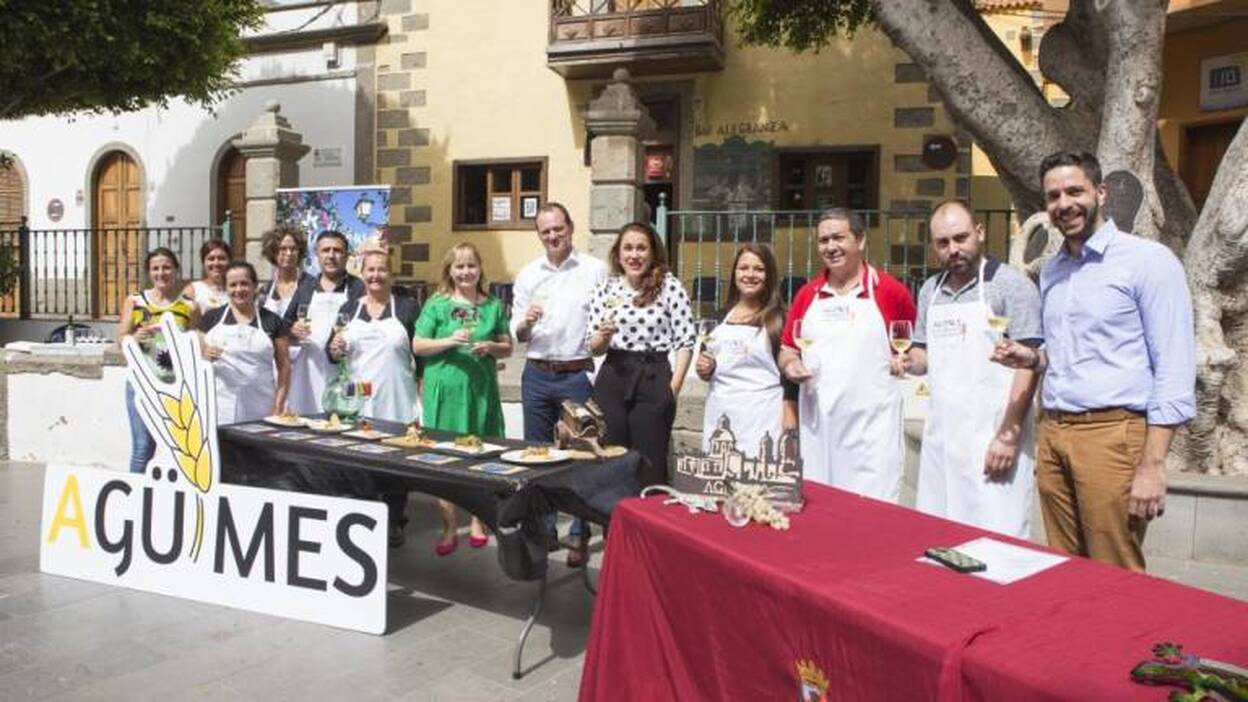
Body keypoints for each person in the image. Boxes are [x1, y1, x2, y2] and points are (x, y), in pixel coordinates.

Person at [992, 151, 1196, 571]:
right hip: (1055, 432)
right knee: (1066, 569)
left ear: (1100, 193)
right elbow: (1069, 353)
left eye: (1074, 191)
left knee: (1114, 568)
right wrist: (1030, 356)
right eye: (1053, 196)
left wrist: (1153, 466)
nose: (1063, 203)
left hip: (1112, 435)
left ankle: (1132, 640)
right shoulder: (1052, 270)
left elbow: (1174, 369)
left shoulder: (1149, 262)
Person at [896, 200, 1042, 537]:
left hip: (992, 438)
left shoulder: (1011, 285)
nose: (953, 249)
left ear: (979, 232)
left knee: (997, 540)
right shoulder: (931, 291)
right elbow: (924, 354)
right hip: (942, 441)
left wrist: (1009, 434)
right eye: (943, 243)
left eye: (961, 238)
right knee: (940, 537)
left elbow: (1029, 364)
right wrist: (908, 361)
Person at [777, 208, 917, 501]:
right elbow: (788, 348)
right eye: (823, 240)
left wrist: (906, 359)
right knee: (822, 513)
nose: (830, 247)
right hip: (819, 431)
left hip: (872, 436)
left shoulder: (890, 292)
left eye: (838, 238)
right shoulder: (808, 294)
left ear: (861, 240)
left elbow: (916, 346)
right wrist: (790, 364)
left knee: (872, 518)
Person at [511, 202, 608, 567]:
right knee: (537, 456)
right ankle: (543, 530)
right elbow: (517, 332)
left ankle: (580, 535)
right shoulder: (528, 274)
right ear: (539, 234)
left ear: (570, 227)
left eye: (558, 229)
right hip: (536, 373)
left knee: (581, 456)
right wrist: (526, 322)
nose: (553, 236)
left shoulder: (594, 270)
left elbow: (604, 320)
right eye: (546, 231)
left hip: (576, 373)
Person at [412, 243, 512, 555]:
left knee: (482, 456)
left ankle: (479, 522)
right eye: (459, 266)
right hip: (444, 392)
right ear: (450, 271)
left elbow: (507, 346)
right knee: (445, 459)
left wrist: (490, 347)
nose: (466, 272)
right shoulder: (437, 304)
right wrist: (447, 341)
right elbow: (417, 345)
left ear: (480, 268)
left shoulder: (493, 305)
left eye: (471, 265)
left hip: (480, 391)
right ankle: (449, 527)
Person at [587, 222, 695, 487]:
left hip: (653, 376)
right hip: (614, 374)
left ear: (653, 252)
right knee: (611, 458)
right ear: (618, 254)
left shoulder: (669, 287)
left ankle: (648, 524)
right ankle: (614, 524)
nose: (634, 255)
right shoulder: (606, 288)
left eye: (641, 248)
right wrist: (603, 336)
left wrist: (674, 387)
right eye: (628, 248)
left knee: (650, 461)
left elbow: (686, 340)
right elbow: (593, 346)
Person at [328, 247, 422, 548]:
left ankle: (395, 520)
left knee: (396, 465)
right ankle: (364, 519)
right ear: (362, 273)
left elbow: (421, 358)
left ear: (391, 274)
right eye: (370, 270)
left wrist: (423, 397)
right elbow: (332, 352)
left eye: (382, 270)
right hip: (359, 400)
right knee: (360, 464)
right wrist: (334, 349)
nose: (376, 275)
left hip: (397, 397)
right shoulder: (348, 308)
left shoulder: (406, 308)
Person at [695, 243, 798, 456]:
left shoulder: (779, 319)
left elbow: (790, 374)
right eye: (743, 268)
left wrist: (790, 413)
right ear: (734, 273)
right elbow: (705, 366)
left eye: (759, 269)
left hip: (763, 416)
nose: (750, 275)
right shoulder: (718, 317)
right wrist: (706, 369)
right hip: (722, 413)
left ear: (769, 275)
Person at [116, 248, 198, 473]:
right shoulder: (135, 301)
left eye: (166, 267)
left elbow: (195, 341)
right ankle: (135, 501)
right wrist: (133, 338)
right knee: (143, 447)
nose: (161, 273)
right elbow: (120, 338)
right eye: (156, 268)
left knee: (178, 448)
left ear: (176, 270)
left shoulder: (189, 306)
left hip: (176, 386)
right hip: (141, 382)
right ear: (149, 272)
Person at [282, 230, 365, 414]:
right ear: (317, 255)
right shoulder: (306, 286)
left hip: (345, 369)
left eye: (337, 250)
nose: (331, 255)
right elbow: (285, 323)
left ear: (346, 255)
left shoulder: (358, 288)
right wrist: (292, 329)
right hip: (308, 373)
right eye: (325, 250)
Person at [199, 261, 292, 424]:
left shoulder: (273, 321)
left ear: (255, 286)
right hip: (218, 407)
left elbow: (284, 366)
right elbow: (195, 352)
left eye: (244, 284)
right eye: (233, 285)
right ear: (225, 288)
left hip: (261, 407)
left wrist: (278, 407)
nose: (238, 290)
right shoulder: (211, 318)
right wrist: (203, 352)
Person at [258, 227, 315, 318]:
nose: (289, 253)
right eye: (283, 248)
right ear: (273, 253)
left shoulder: (312, 285)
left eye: (293, 249)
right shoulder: (265, 290)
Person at [182, 239, 231, 314]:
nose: (216, 263)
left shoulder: (237, 290)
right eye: (211, 259)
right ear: (203, 263)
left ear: (229, 261)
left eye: (221, 258)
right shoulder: (193, 290)